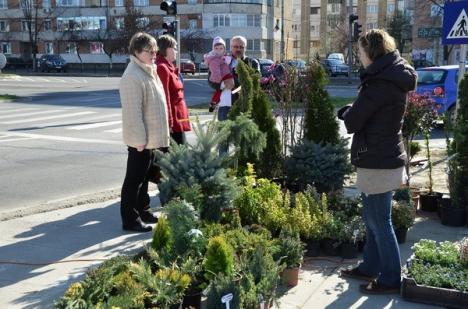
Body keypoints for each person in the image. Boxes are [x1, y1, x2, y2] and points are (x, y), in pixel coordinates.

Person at [337, 29, 417, 294]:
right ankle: (370, 267)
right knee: (372, 219)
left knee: (380, 222)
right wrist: (354, 109)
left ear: (371, 52)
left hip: (379, 160)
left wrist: (346, 111)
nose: (358, 56)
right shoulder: (390, 76)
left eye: (360, 52)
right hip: (382, 156)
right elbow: (370, 113)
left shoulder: (380, 83)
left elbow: (353, 121)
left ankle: (391, 278)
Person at [119, 32, 170, 233]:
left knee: (144, 180)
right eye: (150, 51)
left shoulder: (148, 70)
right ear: (137, 51)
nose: (154, 54)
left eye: (156, 50)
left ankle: (143, 210)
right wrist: (139, 140)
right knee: (134, 181)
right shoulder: (132, 76)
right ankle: (130, 219)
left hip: (151, 139)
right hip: (141, 140)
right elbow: (133, 112)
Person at [218, 35, 260, 154]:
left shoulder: (252, 63)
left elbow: (255, 81)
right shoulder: (223, 61)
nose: (238, 49)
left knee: (244, 140)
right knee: (223, 140)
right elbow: (212, 81)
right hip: (226, 105)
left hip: (244, 106)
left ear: (245, 48)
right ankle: (223, 167)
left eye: (241, 47)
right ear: (231, 47)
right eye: (236, 46)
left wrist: (233, 83)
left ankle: (243, 166)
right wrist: (221, 84)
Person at [156, 35, 191, 145]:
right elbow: (165, 98)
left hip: (178, 119)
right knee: (178, 158)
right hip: (174, 122)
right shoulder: (162, 67)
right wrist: (169, 123)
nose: (176, 51)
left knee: (182, 155)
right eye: (174, 48)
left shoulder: (168, 66)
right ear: (167, 49)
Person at [204, 36, 235, 112]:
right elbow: (215, 71)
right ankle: (213, 104)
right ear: (213, 49)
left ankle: (213, 104)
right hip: (221, 78)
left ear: (224, 49)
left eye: (221, 48)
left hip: (225, 76)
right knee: (223, 89)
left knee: (219, 92)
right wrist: (218, 81)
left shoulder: (222, 57)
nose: (219, 50)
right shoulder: (214, 59)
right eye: (216, 48)